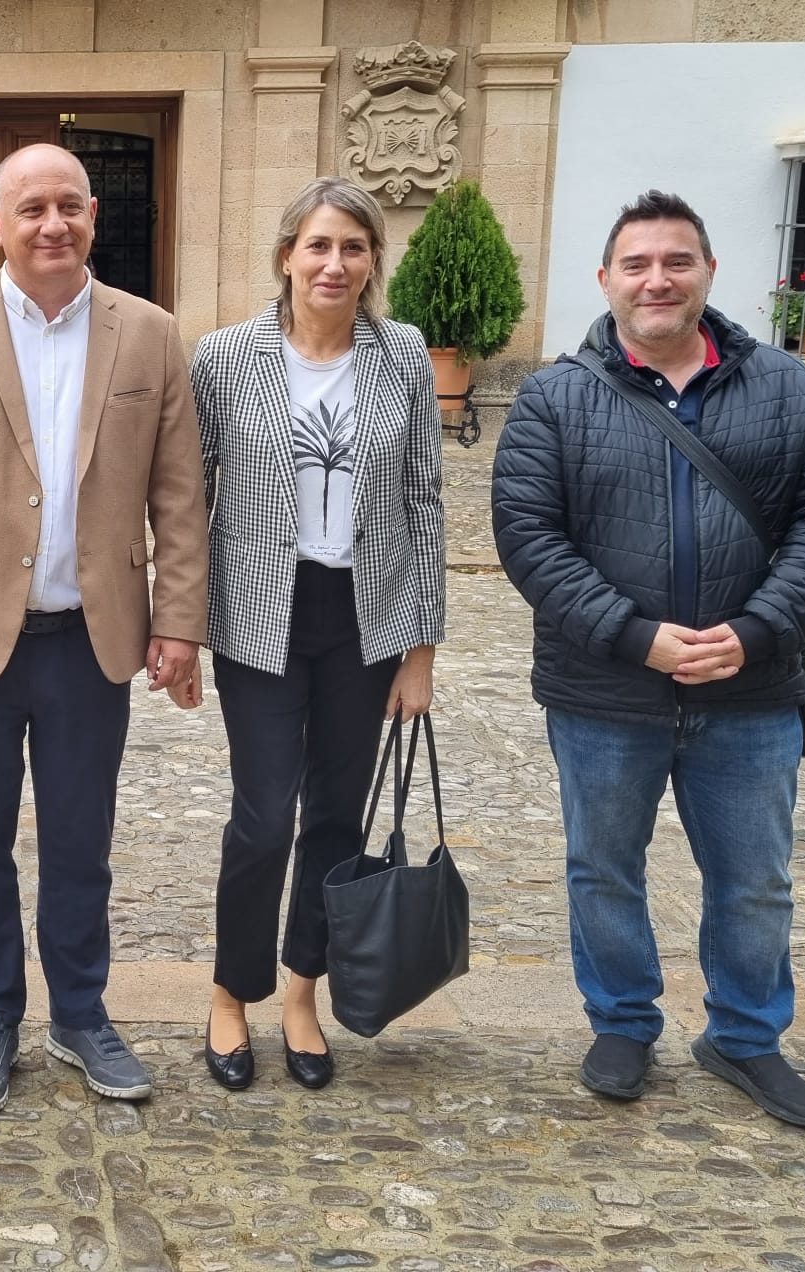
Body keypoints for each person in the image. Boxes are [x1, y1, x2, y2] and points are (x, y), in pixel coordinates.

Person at [491, 189, 805, 1128]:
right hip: (606, 690)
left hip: (753, 685)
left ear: (707, 272)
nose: (657, 279)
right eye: (638, 264)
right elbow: (531, 538)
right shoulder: (554, 396)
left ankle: (744, 1037)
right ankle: (621, 1022)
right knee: (604, 867)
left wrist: (760, 628)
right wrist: (635, 636)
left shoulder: (786, 387)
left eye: (677, 261)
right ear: (606, 279)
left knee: (755, 878)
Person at [0, 142, 208, 1113]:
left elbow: (180, 499)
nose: (51, 224)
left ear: (94, 216)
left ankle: (80, 1014)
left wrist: (177, 620)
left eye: (69, 206)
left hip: (90, 637)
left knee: (79, 841)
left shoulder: (149, 335)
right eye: (31, 210)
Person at [188, 177, 445, 1093]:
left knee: (335, 815)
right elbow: (189, 501)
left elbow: (424, 499)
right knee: (262, 818)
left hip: (364, 615)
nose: (335, 264)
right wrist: (178, 625)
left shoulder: (403, 355)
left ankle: (302, 992)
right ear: (287, 255)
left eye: (355, 248)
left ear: (373, 261)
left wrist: (420, 649)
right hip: (260, 613)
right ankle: (232, 991)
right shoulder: (224, 358)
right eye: (319, 245)